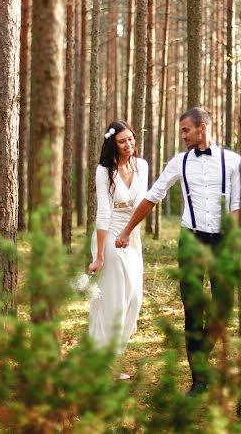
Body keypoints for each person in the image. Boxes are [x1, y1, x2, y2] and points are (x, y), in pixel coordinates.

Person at [115, 107, 241, 396]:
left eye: (186, 130)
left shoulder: (233, 162)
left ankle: (203, 355)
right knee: (193, 310)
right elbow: (152, 197)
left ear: (202, 127)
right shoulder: (179, 162)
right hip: (191, 240)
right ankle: (199, 381)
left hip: (223, 241)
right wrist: (126, 230)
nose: (183, 136)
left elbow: (237, 207)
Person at [87, 121, 148, 375]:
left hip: (131, 235)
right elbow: (103, 212)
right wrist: (99, 255)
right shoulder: (104, 171)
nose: (129, 145)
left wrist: (131, 234)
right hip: (109, 235)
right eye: (122, 141)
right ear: (113, 143)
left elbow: (145, 203)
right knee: (114, 300)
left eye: (131, 139)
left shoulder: (142, 165)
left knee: (134, 297)